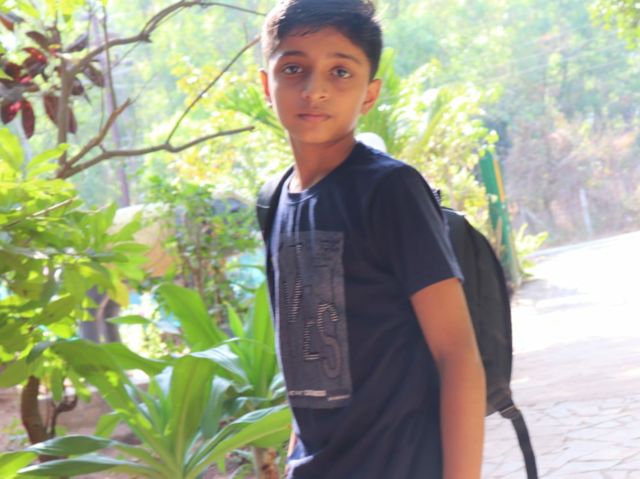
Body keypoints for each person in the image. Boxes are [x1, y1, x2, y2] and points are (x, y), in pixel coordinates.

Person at [258, 1, 486, 477]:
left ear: (369, 94)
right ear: (266, 85)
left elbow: (457, 354)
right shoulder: (274, 200)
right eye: (294, 68)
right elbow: (303, 357)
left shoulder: (390, 191)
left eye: (340, 71)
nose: (314, 89)